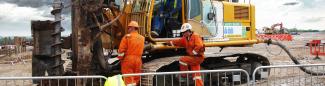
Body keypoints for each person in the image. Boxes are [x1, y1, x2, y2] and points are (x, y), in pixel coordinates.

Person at [111, 21, 145, 86]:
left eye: (129, 28)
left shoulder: (127, 37)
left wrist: (120, 59)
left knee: (128, 79)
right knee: (136, 79)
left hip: (128, 60)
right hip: (138, 60)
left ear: (132, 28)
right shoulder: (142, 38)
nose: (128, 30)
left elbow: (121, 51)